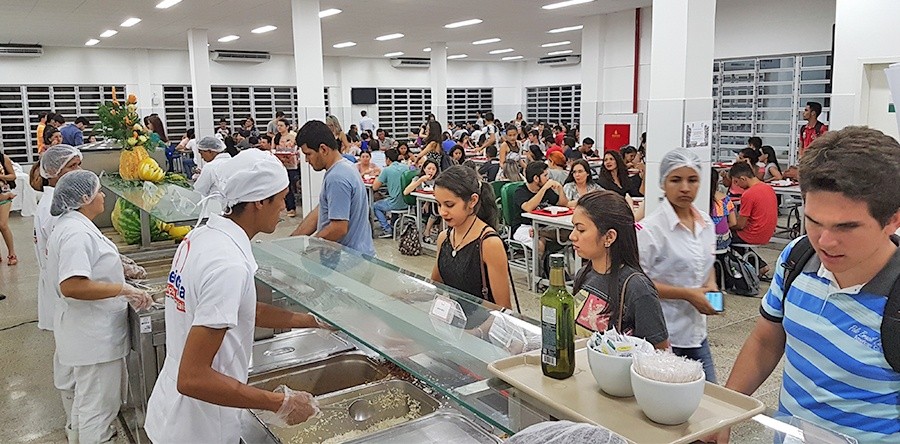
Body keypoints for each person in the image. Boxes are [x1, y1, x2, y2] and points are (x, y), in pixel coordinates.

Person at [712, 126, 900, 443]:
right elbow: (765, 341)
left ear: (893, 219)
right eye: (814, 221)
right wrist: (726, 409)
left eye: (847, 227)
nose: (825, 242)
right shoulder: (797, 258)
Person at [145, 150, 325, 443]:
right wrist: (280, 403)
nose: (284, 207)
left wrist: (313, 321)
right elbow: (192, 378)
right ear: (259, 201)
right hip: (198, 428)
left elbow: (244, 310)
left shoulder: (201, 237)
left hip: (173, 414)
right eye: (281, 197)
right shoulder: (227, 264)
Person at [46, 170, 154, 443]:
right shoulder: (75, 233)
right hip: (93, 337)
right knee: (99, 411)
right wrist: (122, 289)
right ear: (84, 198)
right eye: (98, 191)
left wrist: (119, 267)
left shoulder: (77, 225)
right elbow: (72, 285)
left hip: (87, 333)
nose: (103, 194)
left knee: (88, 406)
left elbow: (90, 264)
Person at [637, 149, 719, 383]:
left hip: (697, 333)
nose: (685, 187)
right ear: (663, 183)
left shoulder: (706, 223)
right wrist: (687, 295)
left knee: (712, 401)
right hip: (663, 335)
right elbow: (637, 284)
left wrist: (710, 287)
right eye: (676, 180)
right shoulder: (651, 230)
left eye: (692, 180)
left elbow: (705, 262)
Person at [569, 190, 669, 349]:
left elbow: (660, 351)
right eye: (573, 227)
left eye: (581, 230)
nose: (572, 236)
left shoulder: (637, 288)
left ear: (609, 237)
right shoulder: (583, 275)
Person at [32, 145, 82, 439]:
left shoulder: (53, 204)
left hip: (56, 293)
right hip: (63, 297)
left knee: (68, 361)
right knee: (70, 366)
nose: (78, 171)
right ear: (55, 173)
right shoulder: (56, 213)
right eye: (73, 166)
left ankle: (75, 423)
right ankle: (75, 426)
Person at [431, 165, 512, 324]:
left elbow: (503, 309)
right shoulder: (444, 238)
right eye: (439, 204)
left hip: (481, 331)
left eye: (449, 205)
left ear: (472, 201)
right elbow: (435, 286)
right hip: (453, 325)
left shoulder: (489, 244)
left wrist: (477, 333)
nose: (442, 212)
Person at [291, 120, 375, 256]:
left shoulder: (337, 177)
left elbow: (338, 228)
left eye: (308, 154)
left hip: (350, 262)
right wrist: (293, 240)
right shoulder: (345, 167)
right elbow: (319, 212)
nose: (307, 160)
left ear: (323, 149)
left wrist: (310, 247)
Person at [729, 161, 778, 279]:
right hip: (767, 232)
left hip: (753, 234)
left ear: (743, 178)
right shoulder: (768, 188)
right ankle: (760, 265)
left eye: (736, 181)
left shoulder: (748, 194)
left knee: (724, 238)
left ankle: (733, 272)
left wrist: (727, 225)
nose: (736, 185)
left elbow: (740, 225)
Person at [511, 162, 569, 255]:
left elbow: (563, 205)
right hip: (523, 227)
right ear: (536, 178)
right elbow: (528, 208)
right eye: (545, 175)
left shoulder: (546, 190)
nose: (548, 178)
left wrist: (560, 189)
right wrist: (544, 189)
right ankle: (539, 269)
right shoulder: (521, 191)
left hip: (543, 225)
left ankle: (540, 233)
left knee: (568, 232)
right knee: (540, 243)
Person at [371, 149, 409, 238]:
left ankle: (387, 229)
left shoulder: (387, 170)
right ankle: (393, 226)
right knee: (388, 198)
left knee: (375, 206)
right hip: (407, 203)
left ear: (387, 159)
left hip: (394, 203)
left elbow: (375, 187)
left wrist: (378, 175)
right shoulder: (405, 167)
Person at [404, 160, 441, 243]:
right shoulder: (417, 178)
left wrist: (428, 203)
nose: (431, 171)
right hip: (419, 204)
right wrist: (420, 181)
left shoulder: (437, 180)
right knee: (436, 209)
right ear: (424, 169)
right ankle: (427, 232)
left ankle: (441, 234)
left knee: (440, 207)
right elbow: (406, 191)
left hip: (431, 203)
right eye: (429, 168)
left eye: (433, 169)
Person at [273, 121, 300, 218]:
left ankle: (293, 207)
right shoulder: (276, 138)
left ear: (287, 127)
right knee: (284, 186)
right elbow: (273, 149)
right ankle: (288, 207)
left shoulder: (293, 136)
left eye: (281, 126)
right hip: (281, 165)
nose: (279, 127)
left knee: (292, 185)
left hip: (292, 164)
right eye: (278, 126)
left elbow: (298, 148)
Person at [709, 168, 737, 252]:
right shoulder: (725, 199)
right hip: (722, 240)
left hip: (706, 241)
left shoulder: (700, 199)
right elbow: (733, 222)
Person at [0, 146, 18, 266]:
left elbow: (13, 176)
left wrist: (1, 177)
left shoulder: (3, 158)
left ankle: (12, 253)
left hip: (4, 194)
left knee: (2, 224)